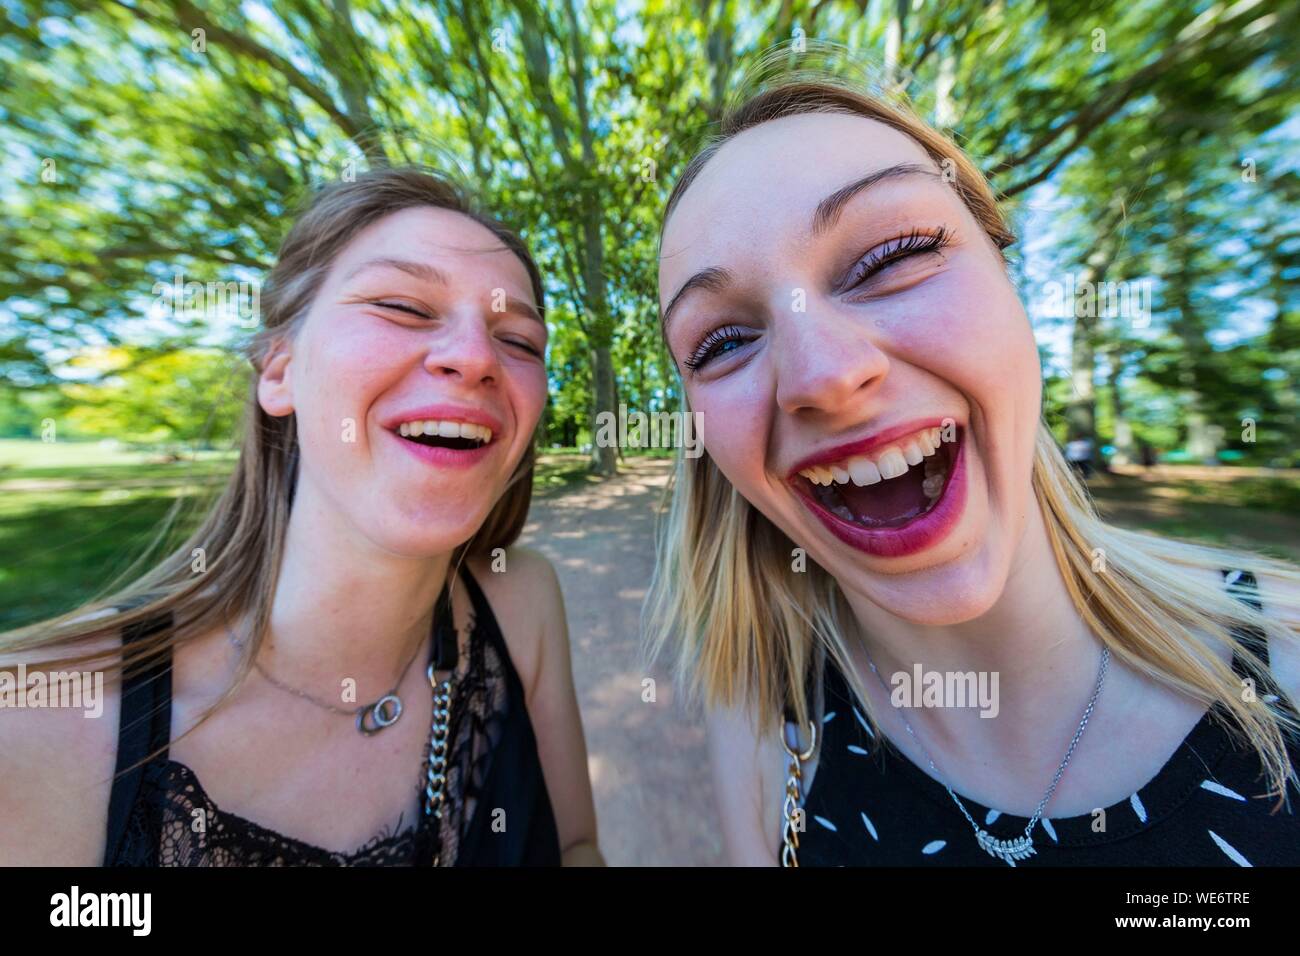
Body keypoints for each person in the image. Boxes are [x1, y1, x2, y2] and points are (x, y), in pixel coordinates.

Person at [645, 72, 1300, 866]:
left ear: (1007, 280)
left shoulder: (1286, 653)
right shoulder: (764, 720)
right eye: (721, 343)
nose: (820, 374)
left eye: (891, 257)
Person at [0, 168, 603, 867]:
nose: (476, 357)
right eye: (404, 306)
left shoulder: (523, 603)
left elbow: (575, 846)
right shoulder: (31, 725)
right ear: (280, 369)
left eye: (521, 341)